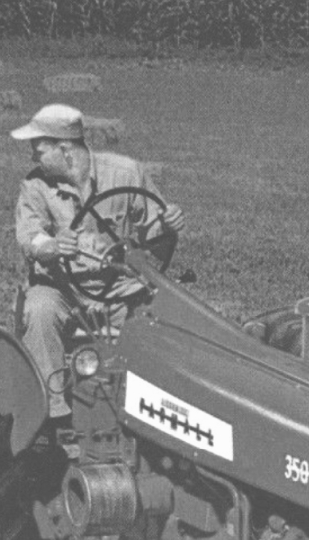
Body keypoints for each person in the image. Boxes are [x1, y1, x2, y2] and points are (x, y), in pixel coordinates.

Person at [11, 103, 185, 417]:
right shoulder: (35, 186)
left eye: (38, 148)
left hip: (120, 290)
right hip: (63, 289)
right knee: (39, 309)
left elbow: (153, 229)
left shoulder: (126, 173)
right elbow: (30, 237)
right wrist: (52, 244)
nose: (32, 156)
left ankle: (160, 411)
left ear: (64, 149)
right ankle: (53, 413)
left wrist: (168, 223)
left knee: (172, 319)